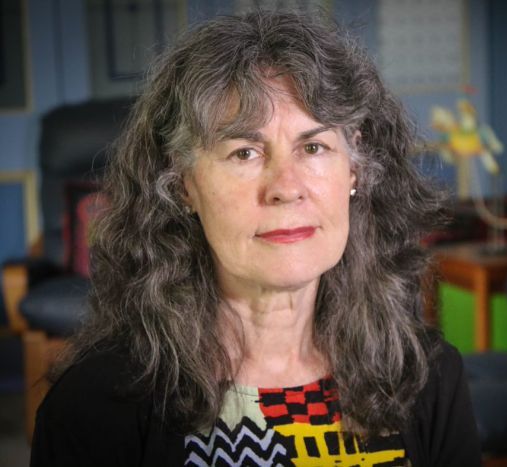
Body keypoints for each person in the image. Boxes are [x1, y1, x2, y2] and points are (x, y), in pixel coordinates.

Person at [30, 10, 481, 467]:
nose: (286, 186)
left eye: (313, 147)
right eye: (244, 152)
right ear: (183, 182)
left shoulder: (427, 375)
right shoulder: (95, 405)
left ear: (355, 169)